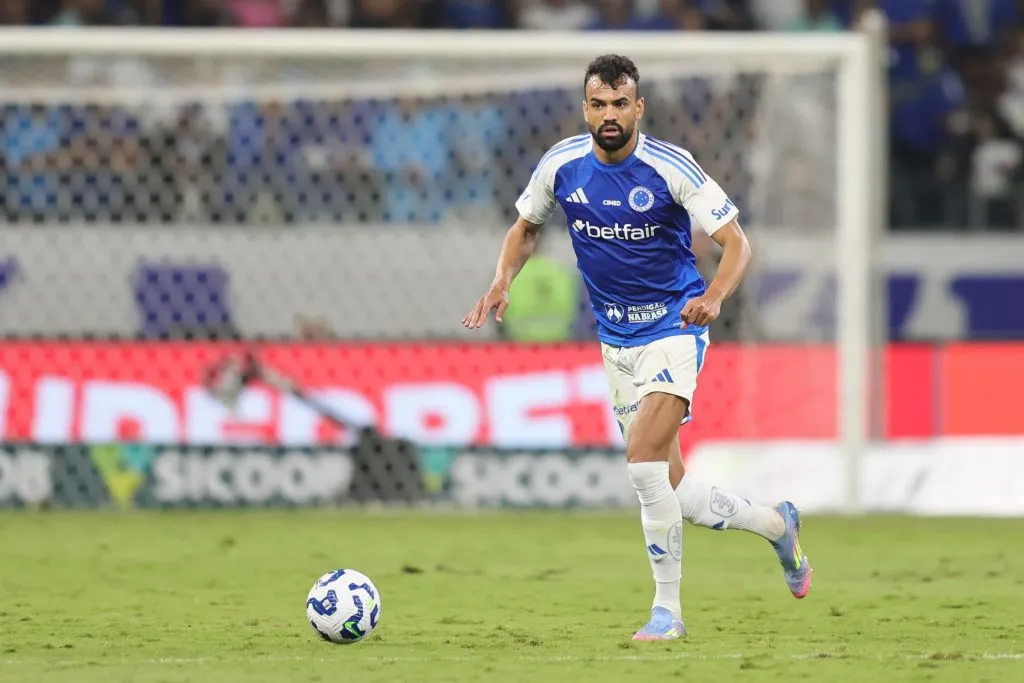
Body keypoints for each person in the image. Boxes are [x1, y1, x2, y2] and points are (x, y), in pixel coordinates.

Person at [462, 54, 812, 641]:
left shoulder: (670, 167)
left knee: (644, 466)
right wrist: (502, 280)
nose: (609, 115)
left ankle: (667, 613)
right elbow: (525, 227)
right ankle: (778, 526)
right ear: (585, 108)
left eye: (620, 103)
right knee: (672, 488)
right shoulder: (561, 165)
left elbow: (736, 242)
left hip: (675, 329)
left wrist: (717, 296)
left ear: (638, 107)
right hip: (615, 340)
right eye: (598, 104)